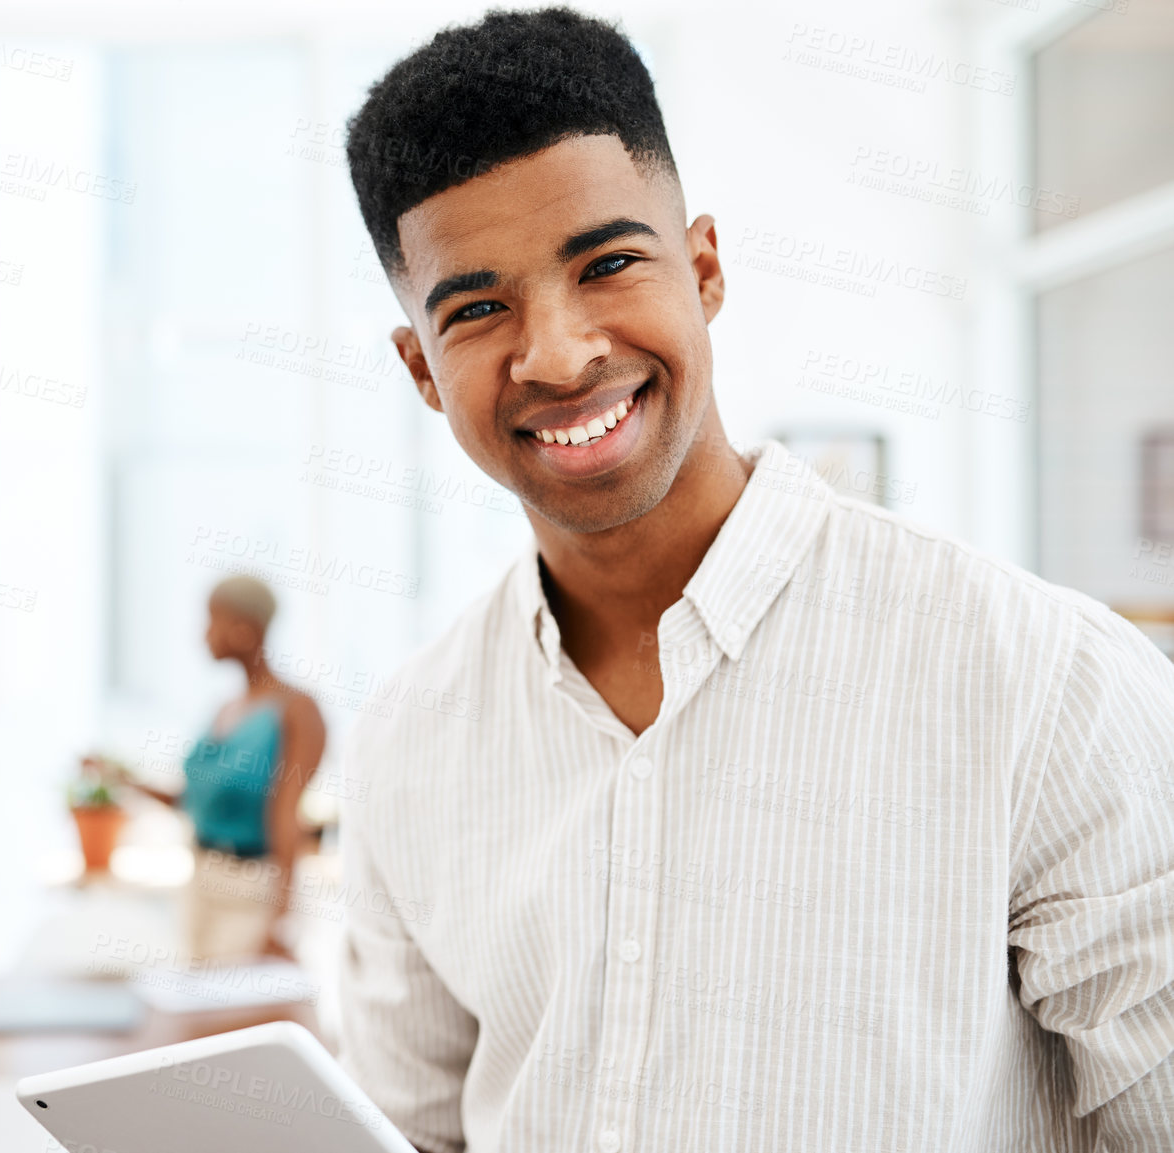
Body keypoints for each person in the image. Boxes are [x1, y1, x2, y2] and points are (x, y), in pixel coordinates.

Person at [333, 10, 1174, 1152]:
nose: (561, 353)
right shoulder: (406, 743)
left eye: (608, 263)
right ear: (420, 370)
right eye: (477, 309)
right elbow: (407, 1133)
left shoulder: (1040, 680)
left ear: (706, 268)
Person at [111, 575, 326, 963]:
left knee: (237, 1013)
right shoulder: (224, 710)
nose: (204, 634)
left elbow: (286, 817)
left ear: (244, 630)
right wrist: (123, 779)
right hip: (200, 883)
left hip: (253, 891)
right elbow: (192, 800)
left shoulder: (297, 711)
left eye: (213, 620)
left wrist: (281, 923)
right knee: (199, 1011)